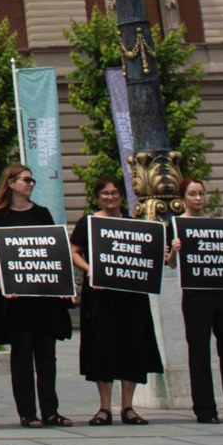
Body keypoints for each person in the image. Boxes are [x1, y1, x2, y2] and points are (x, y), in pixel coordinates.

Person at [0, 164, 73, 429]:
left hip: (43, 296)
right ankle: (27, 412)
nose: (30, 184)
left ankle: (51, 410)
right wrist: (2, 279)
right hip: (14, 298)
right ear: (10, 183)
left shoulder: (42, 213)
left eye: (32, 181)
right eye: (25, 180)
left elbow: (53, 250)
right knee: (21, 353)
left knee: (47, 353)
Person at [69, 175, 162, 425]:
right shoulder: (88, 223)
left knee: (131, 348)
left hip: (131, 297)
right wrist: (90, 270)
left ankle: (128, 407)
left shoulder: (135, 224)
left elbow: (150, 256)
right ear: (97, 197)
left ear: (121, 195)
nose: (110, 197)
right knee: (102, 349)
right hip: (100, 296)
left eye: (114, 193)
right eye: (105, 193)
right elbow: (73, 251)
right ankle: (104, 408)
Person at [169, 177, 223, 424]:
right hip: (196, 294)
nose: (198, 198)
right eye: (192, 194)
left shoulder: (219, 225)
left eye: (201, 193)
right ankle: (205, 409)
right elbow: (171, 263)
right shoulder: (177, 226)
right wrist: (174, 250)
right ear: (182, 198)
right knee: (199, 351)